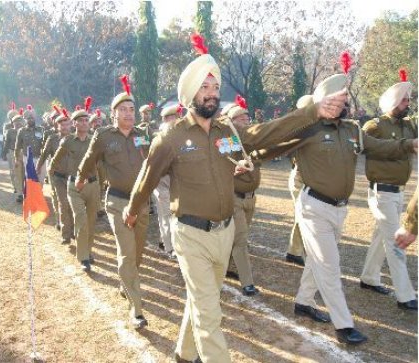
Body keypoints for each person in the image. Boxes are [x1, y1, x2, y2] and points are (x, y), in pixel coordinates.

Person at [123, 34, 348, 363]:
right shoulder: (171, 137)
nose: (212, 95)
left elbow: (265, 133)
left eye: (215, 89)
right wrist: (131, 210)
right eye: (205, 88)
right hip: (190, 234)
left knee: (204, 301)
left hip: (224, 233)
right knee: (210, 314)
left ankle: (184, 355)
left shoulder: (227, 131)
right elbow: (147, 178)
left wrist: (312, 111)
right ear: (190, 93)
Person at [258, 73, 417, 345]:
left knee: (318, 260)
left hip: (339, 209)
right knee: (329, 266)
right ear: (327, 100)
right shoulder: (309, 128)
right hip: (314, 206)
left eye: (346, 97)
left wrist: (409, 144)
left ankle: (304, 302)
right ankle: (343, 325)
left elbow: (377, 146)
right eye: (341, 97)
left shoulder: (351, 129)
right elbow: (268, 147)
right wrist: (248, 159)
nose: (346, 102)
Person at [75, 74, 151, 330]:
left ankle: (126, 284)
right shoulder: (104, 136)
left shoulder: (143, 135)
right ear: (113, 113)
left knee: (138, 253)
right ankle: (137, 310)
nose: (129, 114)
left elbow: (154, 161)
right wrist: (81, 178)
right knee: (127, 253)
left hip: (141, 202)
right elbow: (88, 159)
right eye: (123, 110)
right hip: (117, 202)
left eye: (132, 109)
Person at [359, 70, 418, 310]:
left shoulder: (409, 126)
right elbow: (363, 145)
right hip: (381, 192)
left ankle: (369, 277)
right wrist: (403, 146)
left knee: (379, 237)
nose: (408, 103)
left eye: (409, 99)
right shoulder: (375, 125)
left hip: (398, 191)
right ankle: (406, 295)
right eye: (404, 99)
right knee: (396, 241)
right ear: (393, 101)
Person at [51, 102, 100, 271]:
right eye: (81, 120)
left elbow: (103, 161)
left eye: (86, 120)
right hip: (74, 187)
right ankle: (83, 257)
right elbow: (55, 160)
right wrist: (54, 176)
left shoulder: (96, 139)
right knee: (81, 220)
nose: (85, 123)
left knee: (92, 221)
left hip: (93, 184)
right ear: (74, 123)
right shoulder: (68, 141)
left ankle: (88, 250)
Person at [223, 96, 261, 296]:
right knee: (241, 239)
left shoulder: (253, 140)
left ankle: (226, 266)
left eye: (247, 118)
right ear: (232, 122)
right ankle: (247, 282)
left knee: (235, 238)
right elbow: (219, 165)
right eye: (241, 119)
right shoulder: (227, 142)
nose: (246, 122)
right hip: (234, 198)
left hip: (251, 198)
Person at [285, 95, 313, 267]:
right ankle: (296, 251)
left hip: (309, 176)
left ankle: (295, 251)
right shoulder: (299, 128)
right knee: (303, 214)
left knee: (302, 215)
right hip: (300, 177)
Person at [38, 107, 73, 244]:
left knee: (72, 204)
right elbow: (44, 154)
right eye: (61, 124)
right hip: (57, 176)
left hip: (73, 177)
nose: (64, 126)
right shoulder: (52, 139)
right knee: (63, 203)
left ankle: (73, 228)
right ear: (57, 126)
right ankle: (66, 234)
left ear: (70, 125)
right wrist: (38, 167)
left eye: (67, 123)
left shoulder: (76, 138)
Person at [153, 104, 182, 257]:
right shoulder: (160, 137)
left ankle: (165, 241)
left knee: (175, 215)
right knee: (166, 215)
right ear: (166, 119)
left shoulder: (182, 136)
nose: (178, 119)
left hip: (177, 182)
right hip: (162, 181)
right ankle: (170, 248)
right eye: (175, 117)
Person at [15, 105, 45, 184]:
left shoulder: (41, 129)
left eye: (32, 118)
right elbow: (17, 146)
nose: (30, 120)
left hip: (40, 158)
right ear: (25, 120)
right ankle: (31, 195)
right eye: (28, 118)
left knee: (40, 179)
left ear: (34, 119)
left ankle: (39, 195)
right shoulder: (22, 131)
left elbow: (45, 144)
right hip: (28, 159)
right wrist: (17, 159)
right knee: (30, 179)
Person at [3, 109, 25, 200]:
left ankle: (23, 190)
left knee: (23, 173)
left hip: (24, 153)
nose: (18, 123)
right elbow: (6, 142)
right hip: (12, 152)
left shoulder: (25, 130)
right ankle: (19, 192)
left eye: (20, 121)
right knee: (15, 172)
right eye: (16, 121)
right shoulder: (9, 130)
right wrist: (4, 153)